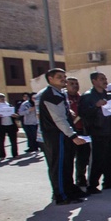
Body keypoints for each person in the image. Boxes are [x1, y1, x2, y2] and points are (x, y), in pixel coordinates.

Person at [37, 68, 89, 205]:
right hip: (56, 135)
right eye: (59, 77)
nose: (63, 79)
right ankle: (61, 195)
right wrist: (73, 136)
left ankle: (69, 190)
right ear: (50, 79)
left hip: (63, 135)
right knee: (59, 166)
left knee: (67, 164)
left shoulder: (59, 93)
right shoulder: (50, 95)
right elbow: (58, 119)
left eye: (64, 76)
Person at [79, 72, 111, 194]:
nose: (105, 81)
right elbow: (83, 113)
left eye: (105, 78)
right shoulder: (88, 96)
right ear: (94, 81)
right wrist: (95, 106)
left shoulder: (108, 95)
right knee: (97, 160)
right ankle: (92, 184)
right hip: (97, 132)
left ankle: (109, 181)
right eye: (101, 79)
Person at [64, 77, 89, 189]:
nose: (75, 86)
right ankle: (68, 183)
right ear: (66, 85)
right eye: (72, 84)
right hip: (69, 132)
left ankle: (81, 178)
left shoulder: (82, 98)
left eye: (76, 83)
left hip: (82, 130)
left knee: (83, 157)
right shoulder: (63, 98)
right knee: (68, 158)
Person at [0, 93, 19, 159]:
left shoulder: (9, 105)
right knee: (1, 141)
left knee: (13, 141)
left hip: (10, 125)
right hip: (0, 126)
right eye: (0, 97)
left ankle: (15, 154)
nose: (2, 99)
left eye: (3, 97)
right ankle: (2, 155)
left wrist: (15, 115)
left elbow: (15, 114)